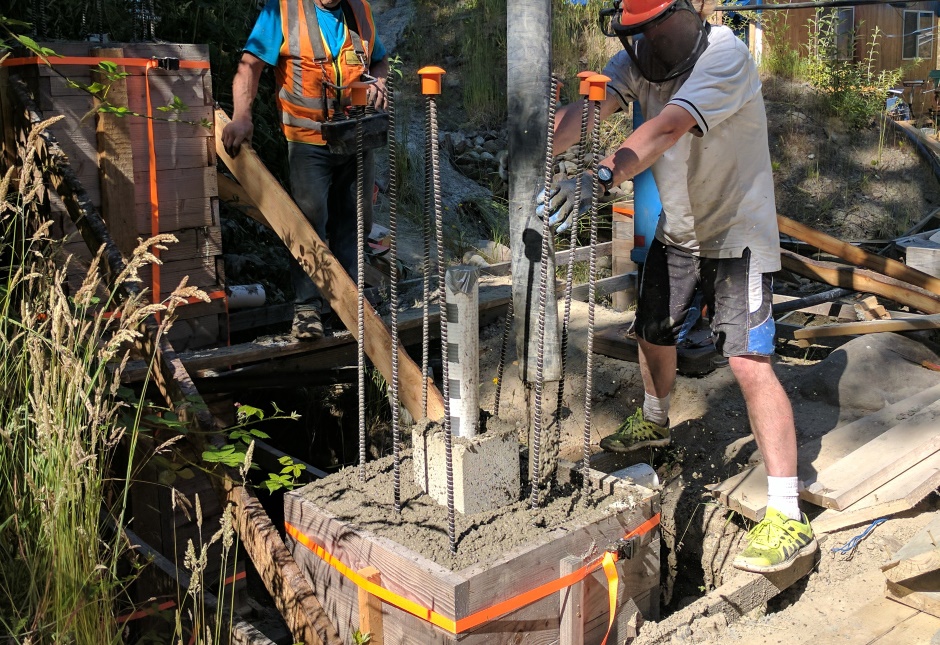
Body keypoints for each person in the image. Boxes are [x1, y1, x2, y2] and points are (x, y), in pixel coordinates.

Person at [541, 0, 816, 573]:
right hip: (681, 226)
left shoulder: (725, 57)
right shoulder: (639, 58)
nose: (637, 50)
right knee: (654, 327)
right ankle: (655, 419)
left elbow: (667, 126)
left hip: (739, 231)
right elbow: (590, 114)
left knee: (747, 361)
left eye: (645, 38)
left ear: (671, 25)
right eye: (632, 39)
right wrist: (539, 148)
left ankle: (787, 513)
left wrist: (602, 174)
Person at [222, 0, 390, 340]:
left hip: (356, 136)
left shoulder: (359, 10)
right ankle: (307, 310)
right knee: (308, 223)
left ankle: (350, 307)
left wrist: (379, 84)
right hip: (308, 141)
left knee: (355, 224)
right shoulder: (283, 10)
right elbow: (250, 65)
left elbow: (379, 60)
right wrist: (242, 115)